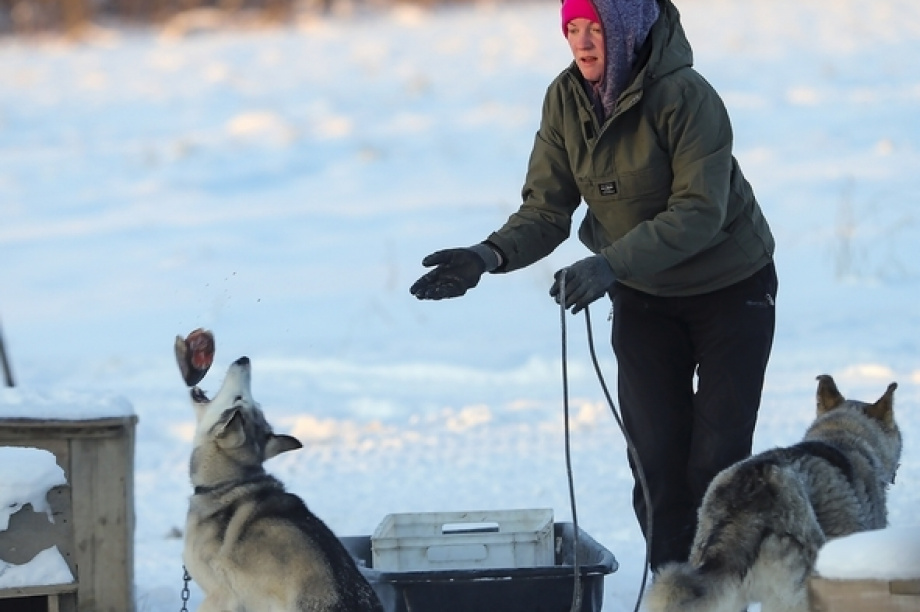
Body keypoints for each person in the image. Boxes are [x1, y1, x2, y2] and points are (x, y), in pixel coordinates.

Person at [409, 0, 777, 572]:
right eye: (572, 29)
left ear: (628, 32)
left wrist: (608, 265)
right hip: (644, 293)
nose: (582, 42)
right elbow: (546, 210)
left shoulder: (686, 96)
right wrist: (487, 256)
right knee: (655, 460)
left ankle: (722, 591)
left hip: (731, 287)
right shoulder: (565, 99)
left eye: (596, 28)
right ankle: (672, 590)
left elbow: (700, 211)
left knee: (717, 462)